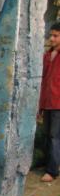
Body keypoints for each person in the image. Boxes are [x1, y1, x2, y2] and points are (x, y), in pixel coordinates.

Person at [39, 22, 60, 182]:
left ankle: (52, 171)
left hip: (58, 103)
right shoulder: (48, 56)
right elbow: (43, 80)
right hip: (47, 102)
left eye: (55, 35)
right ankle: (50, 163)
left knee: (54, 136)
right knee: (48, 135)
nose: (52, 38)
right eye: (51, 35)